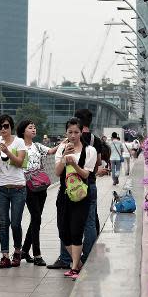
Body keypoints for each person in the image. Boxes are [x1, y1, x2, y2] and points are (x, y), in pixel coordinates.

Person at [48, 109, 103, 270]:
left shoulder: (89, 150)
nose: (73, 135)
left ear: (81, 132)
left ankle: (75, 265)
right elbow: (57, 172)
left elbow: (87, 173)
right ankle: (77, 263)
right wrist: (65, 158)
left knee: (78, 229)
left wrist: (74, 165)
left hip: (82, 193)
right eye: (70, 132)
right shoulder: (62, 149)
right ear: (66, 132)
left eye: (76, 132)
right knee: (63, 230)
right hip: (64, 193)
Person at [18, 119, 58, 266]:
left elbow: (51, 151)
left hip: (41, 185)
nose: (34, 129)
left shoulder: (37, 145)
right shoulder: (19, 146)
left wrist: (65, 143)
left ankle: (25, 250)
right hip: (27, 185)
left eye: (34, 127)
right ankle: (37, 254)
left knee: (37, 218)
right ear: (23, 131)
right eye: (30, 127)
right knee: (36, 217)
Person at [0, 114, 27, 269]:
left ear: (11, 126)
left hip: (18, 187)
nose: (3, 129)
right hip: (2, 189)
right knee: (3, 223)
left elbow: (20, 162)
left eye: (6, 126)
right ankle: (5, 255)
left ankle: (17, 252)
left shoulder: (19, 142)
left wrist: (8, 152)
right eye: (0, 127)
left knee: (16, 223)